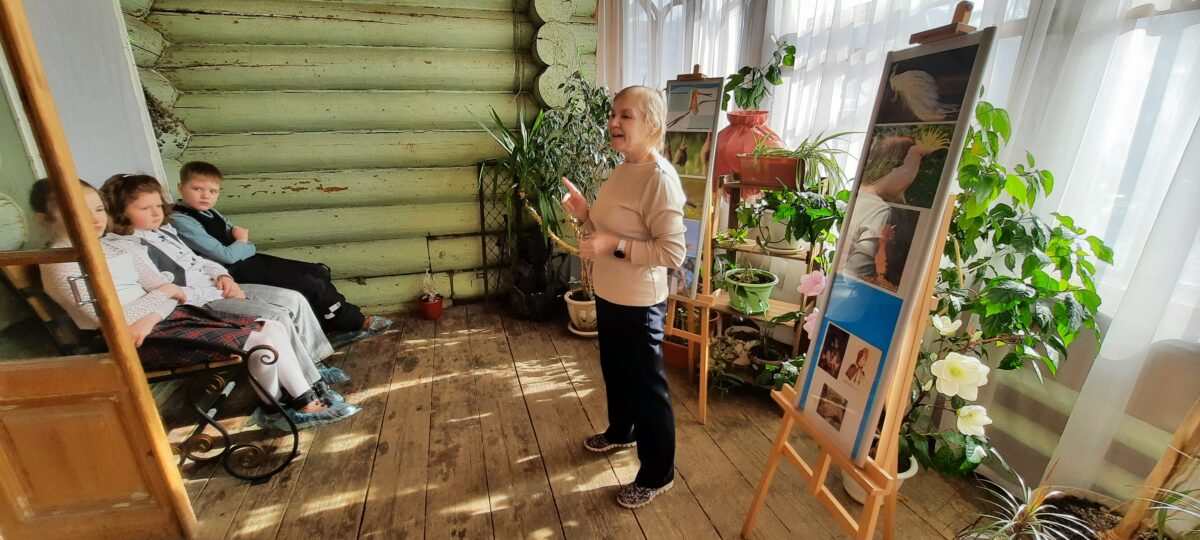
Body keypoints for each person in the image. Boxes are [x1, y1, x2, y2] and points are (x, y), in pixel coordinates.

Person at [30, 179, 359, 429]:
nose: (93, 218)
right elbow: (110, 320)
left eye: (98, 209)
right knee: (260, 338)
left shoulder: (117, 248)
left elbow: (165, 288)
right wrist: (162, 299)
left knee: (270, 326)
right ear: (46, 219)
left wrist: (154, 308)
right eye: (76, 209)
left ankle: (286, 405)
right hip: (131, 341)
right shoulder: (60, 263)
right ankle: (291, 406)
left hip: (159, 322)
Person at [99, 173, 352, 407]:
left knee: (294, 298)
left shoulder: (164, 230)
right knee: (277, 315)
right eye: (145, 208)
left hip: (217, 285)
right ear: (120, 212)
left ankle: (313, 365)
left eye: (158, 205)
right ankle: (304, 384)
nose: (157, 213)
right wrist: (219, 291)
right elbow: (173, 290)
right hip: (200, 302)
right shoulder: (131, 246)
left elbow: (200, 261)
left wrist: (224, 276)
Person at [560, 86, 687, 509]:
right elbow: (607, 229)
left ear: (652, 125)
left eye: (625, 116)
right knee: (615, 371)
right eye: (613, 114)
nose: (613, 122)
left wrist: (613, 245)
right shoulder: (622, 169)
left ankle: (658, 473)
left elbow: (672, 253)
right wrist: (585, 214)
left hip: (640, 303)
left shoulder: (659, 180)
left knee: (647, 388)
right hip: (611, 294)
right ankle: (621, 432)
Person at [170, 161, 391, 347]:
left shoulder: (211, 212)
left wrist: (241, 245)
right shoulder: (182, 219)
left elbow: (247, 246)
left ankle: (326, 324)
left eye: (213, 191)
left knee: (318, 271)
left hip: (247, 260)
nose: (205, 196)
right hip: (230, 273)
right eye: (197, 189)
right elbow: (226, 254)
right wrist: (241, 242)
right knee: (308, 284)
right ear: (181, 188)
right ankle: (353, 320)